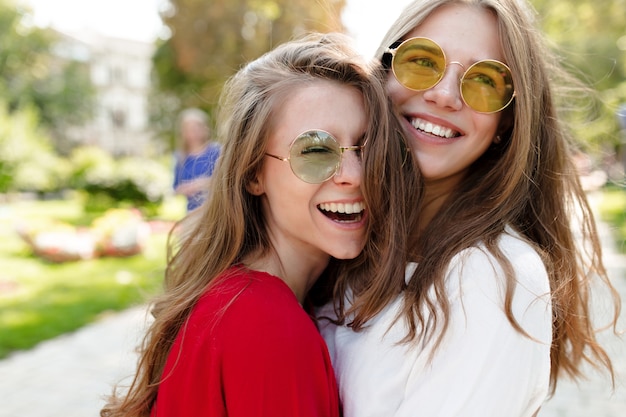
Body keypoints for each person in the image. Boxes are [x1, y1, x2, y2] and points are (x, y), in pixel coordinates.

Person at [317, 1, 622, 416]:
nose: (443, 95)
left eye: (484, 80)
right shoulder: (344, 239)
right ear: (383, 74)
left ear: (507, 124)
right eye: (422, 61)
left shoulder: (492, 279)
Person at [100, 31, 418, 417]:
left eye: (369, 147)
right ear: (253, 173)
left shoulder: (236, 298)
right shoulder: (268, 326)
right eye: (316, 149)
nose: (355, 174)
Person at [172, 107, 221, 211]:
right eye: (189, 129)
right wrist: (187, 188)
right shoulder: (181, 157)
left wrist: (203, 183)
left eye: (196, 128)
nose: (193, 132)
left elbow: (227, 179)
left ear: (205, 129)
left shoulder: (216, 151)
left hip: (215, 210)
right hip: (192, 212)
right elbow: (175, 189)